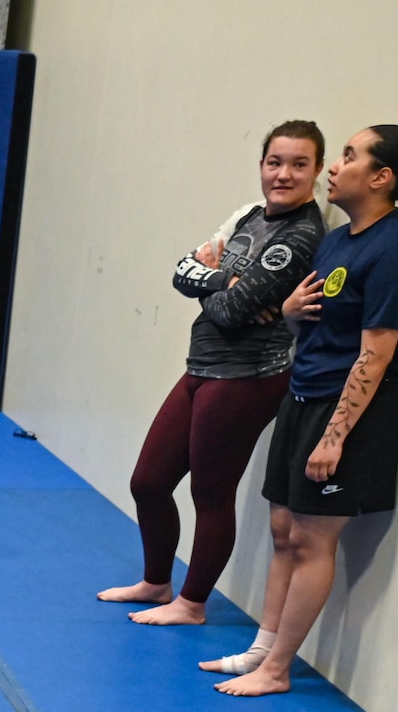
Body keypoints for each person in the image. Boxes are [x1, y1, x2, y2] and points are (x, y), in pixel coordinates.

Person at [204, 125, 398, 695]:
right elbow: (311, 322)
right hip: (304, 394)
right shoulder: (339, 241)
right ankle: (261, 650)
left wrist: (335, 436)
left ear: (382, 178)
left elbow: (376, 353)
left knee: (313, 541)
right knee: (284, 529)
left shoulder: (394, 250)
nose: (337, 166)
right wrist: (287, 311)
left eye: (351, 157)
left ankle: (279, 669)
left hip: (348, 412)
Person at [97, 122, 329, 625]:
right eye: (275, 162)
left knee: (210, 491)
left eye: (298, 164)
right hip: (200, 367)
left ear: (316, 171)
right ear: (262, 165)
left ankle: (192, 602)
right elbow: (183, 270)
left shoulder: (303, 235)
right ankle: (158, 583)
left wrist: (219, 288)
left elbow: (229, 310)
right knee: (149, 482)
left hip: (246, 378)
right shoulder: (247, 215)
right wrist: (223, 280)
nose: (283, 174)